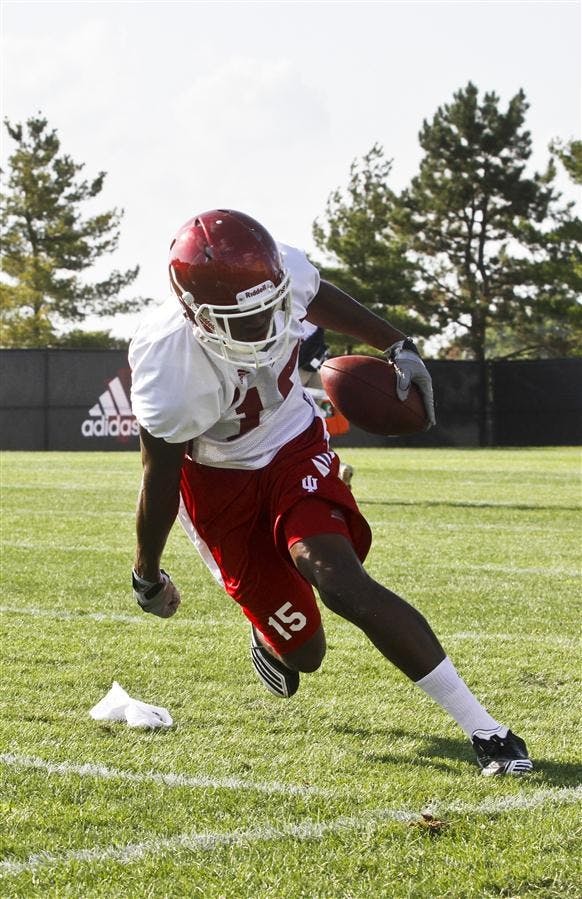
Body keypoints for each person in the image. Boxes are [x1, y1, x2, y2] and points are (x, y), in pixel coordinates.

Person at [129, 209, 532, 777]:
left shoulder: (279, 268)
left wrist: (398, 344)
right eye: (243, 319)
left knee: (336, 575)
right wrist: (146, 571)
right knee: (305, 656)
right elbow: (160, 479)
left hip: (294, 443)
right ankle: (269, 636)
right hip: (221, 482)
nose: (267, 326)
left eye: (271, 307)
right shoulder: (167, 368)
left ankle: (488, 732)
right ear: (196, 316)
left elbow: (316, 295)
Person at [298, 320, 353, 488]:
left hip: (297, 369)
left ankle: (329, 472)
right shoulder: (316, 307)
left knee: (289, 428)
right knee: (317, 430)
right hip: (319, 369)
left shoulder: (293, 303)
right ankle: (337, 468)